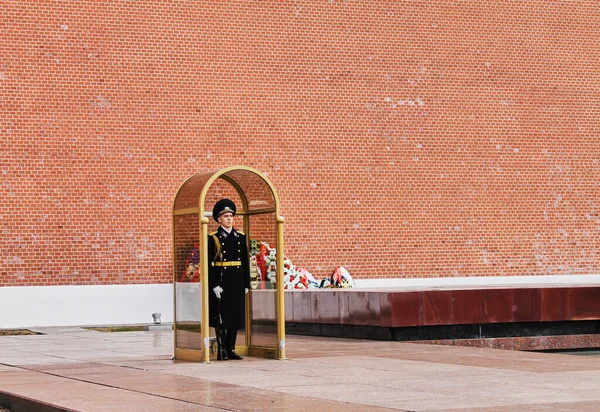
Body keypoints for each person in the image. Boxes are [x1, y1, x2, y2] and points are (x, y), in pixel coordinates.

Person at [208, 199, 249, 360]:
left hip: (237, 280)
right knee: (222, 317)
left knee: (235, 317)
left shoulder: (240, 237)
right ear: (219, 219)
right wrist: (214, 285)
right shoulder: (214, 238)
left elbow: (245, 262)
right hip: (223, 281)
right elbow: (209, 264)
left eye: (231, 216)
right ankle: (222, 348)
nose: (229, 219)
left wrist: (246, 283)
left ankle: (231, 348)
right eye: (225, 216)